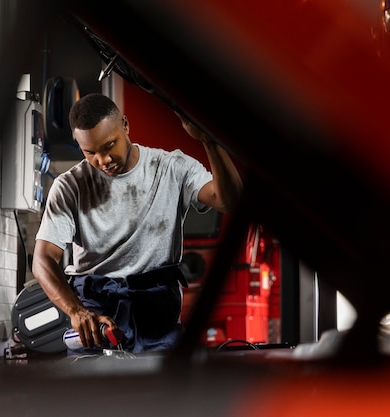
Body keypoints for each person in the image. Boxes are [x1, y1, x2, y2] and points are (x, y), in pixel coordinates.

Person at [32, 93, 243, 354]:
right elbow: (43, 260)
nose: (103, 160)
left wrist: (210, 140)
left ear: (126, 125)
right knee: (92, 393)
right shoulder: (69, 186)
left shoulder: (171, 168)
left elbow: (230, 201)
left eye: (109, 145)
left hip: (157, 315)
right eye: (90, 153)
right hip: (97, 319)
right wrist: (77, 312)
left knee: (162, 391)